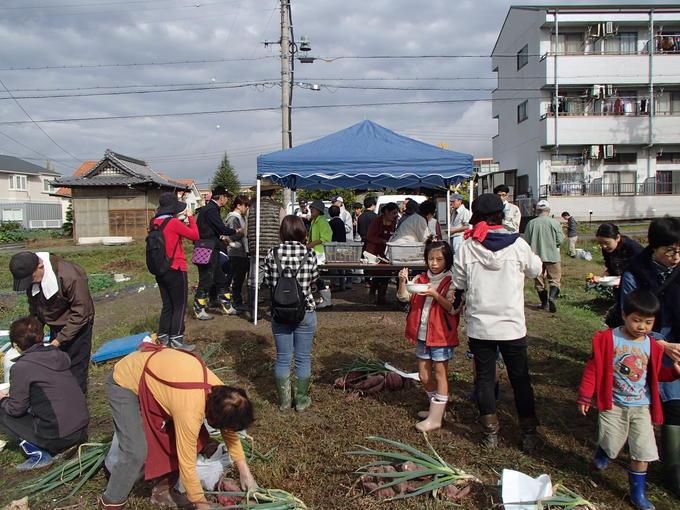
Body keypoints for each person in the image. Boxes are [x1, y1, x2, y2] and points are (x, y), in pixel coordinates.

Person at [99, 346, 257, 510]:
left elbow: (229, 432)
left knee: (184, 438)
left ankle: (164, 489)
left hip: (159, 379)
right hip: (125, 380)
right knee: (135, 451)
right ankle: (111, 500)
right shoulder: (190, 410)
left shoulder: (224, 394)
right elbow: (187, 465)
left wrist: (245, 472)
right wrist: (202, 505)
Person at [452, 193, 542, 450]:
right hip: (512, 325)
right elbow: (536, 269)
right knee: (520, 378)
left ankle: (490, 432)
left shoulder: (469, 245)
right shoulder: (518, 244)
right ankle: (528, 432)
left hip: (481, 326)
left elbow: (459, 282)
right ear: (501, 215)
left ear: (477, 217)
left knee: (484, 377)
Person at [578, 290, 680, 510]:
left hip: (641, 406)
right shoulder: (607, 339)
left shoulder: (652, 345)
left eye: (648, 322)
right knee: (612, 441)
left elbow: (655, 374)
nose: (642, 327)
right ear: (624, 315)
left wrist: (674, 373)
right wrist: (586, 395)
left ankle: (638, 493)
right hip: (613, 404)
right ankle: (604, 450)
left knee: (643, 450)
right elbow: (593, 368)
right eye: (636, 320)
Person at [620, 217, 680, 498]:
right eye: (670, 250)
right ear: (654, 247)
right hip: (652, 346)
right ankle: (674, 470)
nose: (676, 256)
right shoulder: (637, 272)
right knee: (671, 404)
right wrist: (661, 344)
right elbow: (631, 317)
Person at [0, 316, 88, 470]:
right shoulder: (59, 355)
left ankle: (38, 454)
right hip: (81, 428)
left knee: (3, 409)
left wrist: (4, 400)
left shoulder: (22, 367)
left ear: (15, 345)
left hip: (60, 436)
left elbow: (16, 409)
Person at [397, 241, 462, 432]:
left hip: (441, 334)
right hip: (423, 334)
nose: (434, 263)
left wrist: (434, 293)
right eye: (430, 259)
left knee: (440, 374)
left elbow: (453, 308)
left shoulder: (453, 281)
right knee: (425, 376)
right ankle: (436, 409)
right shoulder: (421, 278)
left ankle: (436, 418)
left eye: (439, 259)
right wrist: (403, 281)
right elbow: (403, 297)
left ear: (447, 260)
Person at [9, 251, 94, 395]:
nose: (30, 283)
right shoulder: (32, 277)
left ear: (40, 266)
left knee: (75, 371)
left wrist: (58, 341)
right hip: (55, 325)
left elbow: (81, 312)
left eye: (31, 279)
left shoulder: (70, 275)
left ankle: (76, 408)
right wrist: (27, 335)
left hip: (77, 326)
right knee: (56, 369)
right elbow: (35, 310)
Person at [263, 215, 319, 413]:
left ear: (282, 232)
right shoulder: (309, 254)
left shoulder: (272, 253)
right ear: (302, 231)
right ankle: (302, 401)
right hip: (305, 310)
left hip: (279, 312)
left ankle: (285, 401)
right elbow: (314, 280)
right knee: (303, 357)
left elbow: (268, 281)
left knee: (283, 358)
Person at [151, 192, 199, 351]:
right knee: (180, 305)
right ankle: (177, 339)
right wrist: (190, 217)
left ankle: (163, 336)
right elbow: (194, 235)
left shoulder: (154, 222)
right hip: (176, 268)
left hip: (160, 269)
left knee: (168, 305)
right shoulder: (173, 223)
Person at [193, 186, 241, 320]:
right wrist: (236, 231)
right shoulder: (211, 210)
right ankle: (198, 308)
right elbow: (221, 228)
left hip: (210, 247)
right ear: (221, 198)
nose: (227, 200)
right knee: (206, 279)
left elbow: (210, 229)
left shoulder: (209, 209)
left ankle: (227, 306)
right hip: (207, 249)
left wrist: (220, 237)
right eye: (227, 197)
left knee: (221, 279)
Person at [247, 183, 285, 320]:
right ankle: (275, 310)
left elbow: (247, 231)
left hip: (255, 249)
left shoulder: (251, 209)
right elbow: (283, 228)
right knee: (275, 278)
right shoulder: (278, 208)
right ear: (273, 192)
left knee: (254, 281)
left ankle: (253, 312)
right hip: (274, 250)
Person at [525, 199, 565, 313]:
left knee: (539, 282)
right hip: (552, 255)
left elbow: (526, 240)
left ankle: (544, 304)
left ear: (537, 211)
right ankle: (552, 298)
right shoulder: (554, 222)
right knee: (555, 280)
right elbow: (560, 239)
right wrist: (554, 245)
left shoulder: (531, 223)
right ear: (548, 210)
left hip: (536, 257)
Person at [365, 202, 399, 305]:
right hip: (375, 251)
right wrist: (381, 240)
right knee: (377, 274)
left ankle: (381, 297)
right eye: (394, 213)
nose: (395, 215)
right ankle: (372, 294)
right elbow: (369, 236)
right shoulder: (377, 221)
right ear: (387, 212)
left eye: (396, 213)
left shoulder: (394, 222)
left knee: (386, 274)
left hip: (387, 252)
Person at [225, 195, 250, 311]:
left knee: (239, 278)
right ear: (239, 205)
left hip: (241, 251)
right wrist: (244, 232)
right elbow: (231, 234)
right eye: (246, 206)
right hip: (235, 252)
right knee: (236, 278)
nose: (247, 208)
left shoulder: (240, 217)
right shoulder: (233, 218)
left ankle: (235, 300)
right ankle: (235, 301)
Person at [307, 200, 333, 309]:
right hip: (316, 252)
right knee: (316, 276)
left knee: (318, 277)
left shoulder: (322, 221)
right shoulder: (315, 220)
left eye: (313, 208)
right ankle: (325, 299)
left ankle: (327, 300)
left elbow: (326, 238)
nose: (311, 209)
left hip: (320, 253)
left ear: (319, 210)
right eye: (311, 207)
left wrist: (310, 244)